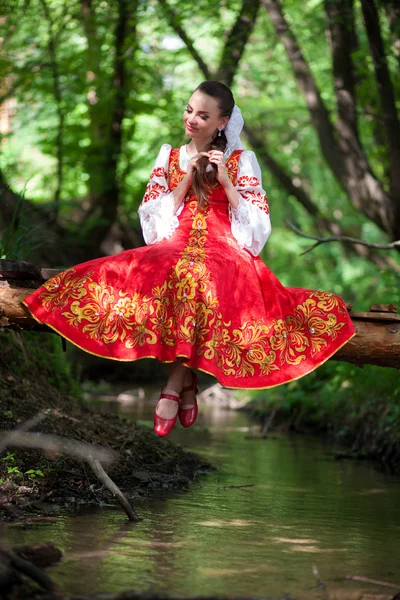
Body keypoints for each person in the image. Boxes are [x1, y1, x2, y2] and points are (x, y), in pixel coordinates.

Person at [23, 81, 356, 437]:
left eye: (203, 115)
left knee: (201, 274)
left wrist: (227, 182)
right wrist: (186, 179)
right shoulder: (169, 156)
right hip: (175, 240)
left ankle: (173, 386)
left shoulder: (243, 161)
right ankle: (185, 383)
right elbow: (153, 222)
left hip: (226, 246)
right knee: (141, 268)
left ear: (222, 122)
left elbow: (257, 228)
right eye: (189, 110)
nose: (192, 119)